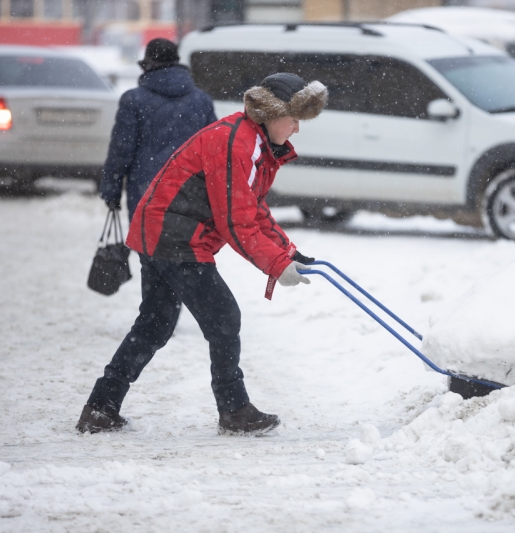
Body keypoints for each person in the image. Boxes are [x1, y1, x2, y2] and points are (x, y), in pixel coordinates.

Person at [76, 73, 328, 436]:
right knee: (223, 317)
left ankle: (101, 407)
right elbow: (236, 222)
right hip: (173, 237)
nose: (297, 130)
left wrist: (289, 252)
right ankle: (234, 409)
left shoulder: (253, 143)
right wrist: (275, 265)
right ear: (273, 114)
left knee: (155, 325)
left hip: (162, 231)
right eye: (295, 120)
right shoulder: (237, 144)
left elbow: (253, 208)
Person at [99, 38, 217, 219]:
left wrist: (111, 190)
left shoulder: (133, 100)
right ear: (177, 63)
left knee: (149, 243)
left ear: (147, 65)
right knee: (186, 245)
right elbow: (214, 151)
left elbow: (121, 150)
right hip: (192, 192)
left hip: (147, 190)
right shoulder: (202, 100)